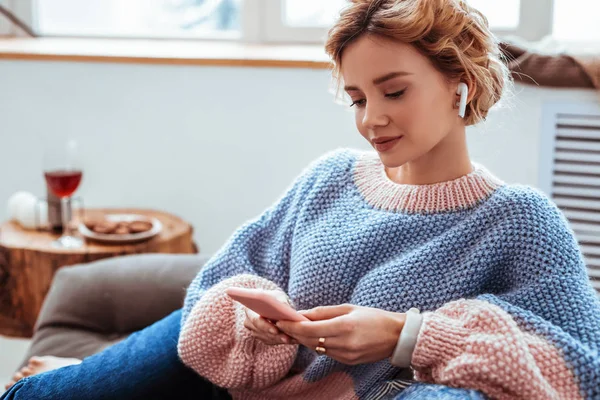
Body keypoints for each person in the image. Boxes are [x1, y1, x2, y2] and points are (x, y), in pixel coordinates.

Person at [4, 0, 600, 399]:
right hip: (225, 371)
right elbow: (229, 280)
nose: (373, 119)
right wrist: (254, 322)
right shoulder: (331, 176)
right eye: (359, 98)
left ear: (459, 83)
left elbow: (579, 368)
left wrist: (405, 336)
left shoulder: (518, 221)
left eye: (394, 91)